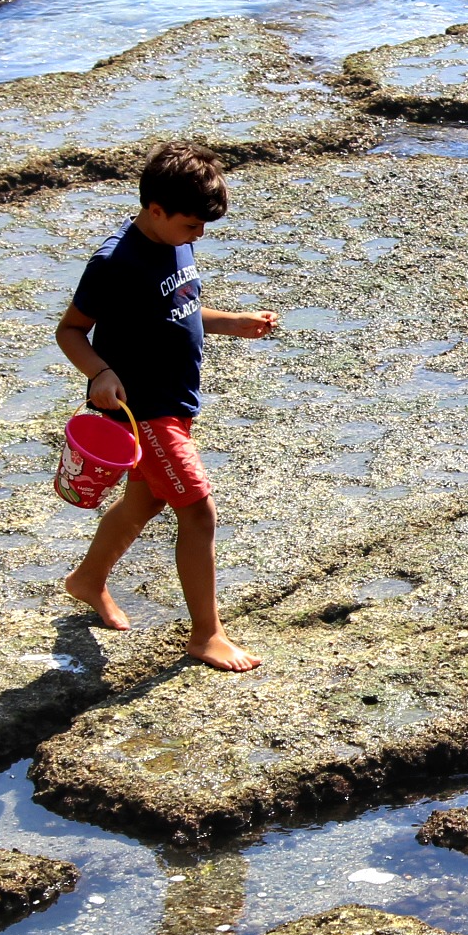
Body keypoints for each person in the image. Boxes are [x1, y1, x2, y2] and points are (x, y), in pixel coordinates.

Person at [56, 141, 276, 672]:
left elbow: (180, 309)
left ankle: (88, 579)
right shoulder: (115, 263)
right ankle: (206, 634)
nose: (198, 235)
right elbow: (70, 331)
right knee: (198, 512)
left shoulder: (175, 241)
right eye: (192, 225)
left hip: (177, 403)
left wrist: (230, 322)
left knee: (146, 502)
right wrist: (101, 373)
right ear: (155, 210)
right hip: (144, 411)